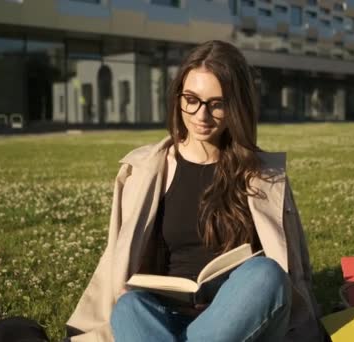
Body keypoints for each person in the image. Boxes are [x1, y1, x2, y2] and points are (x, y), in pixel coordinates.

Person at [65, 40, 322, 342]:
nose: (201, 116)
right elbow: (118, 260)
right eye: (192, 99)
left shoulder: (265, 175)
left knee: (266, 275)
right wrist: (127, 287)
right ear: (178, 97)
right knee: (128, 307)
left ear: (236, 105)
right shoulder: (144, 170)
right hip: (166, 317)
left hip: (239, 315)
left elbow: (292, 267)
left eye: (216, 103)